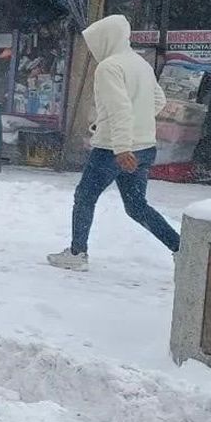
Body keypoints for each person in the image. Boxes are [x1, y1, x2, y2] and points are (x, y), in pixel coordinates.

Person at [48, 14, 180, 271]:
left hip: (113, 150)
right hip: (144, 148)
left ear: (107, 39)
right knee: (136, 206)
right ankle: (180, 247)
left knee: (85, 196)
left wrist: (121, 147)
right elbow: (158, 101)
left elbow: (120, 109)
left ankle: (77, 253)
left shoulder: (109, 67)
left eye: (95, 41)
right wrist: (136, 128)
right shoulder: (140, 64)